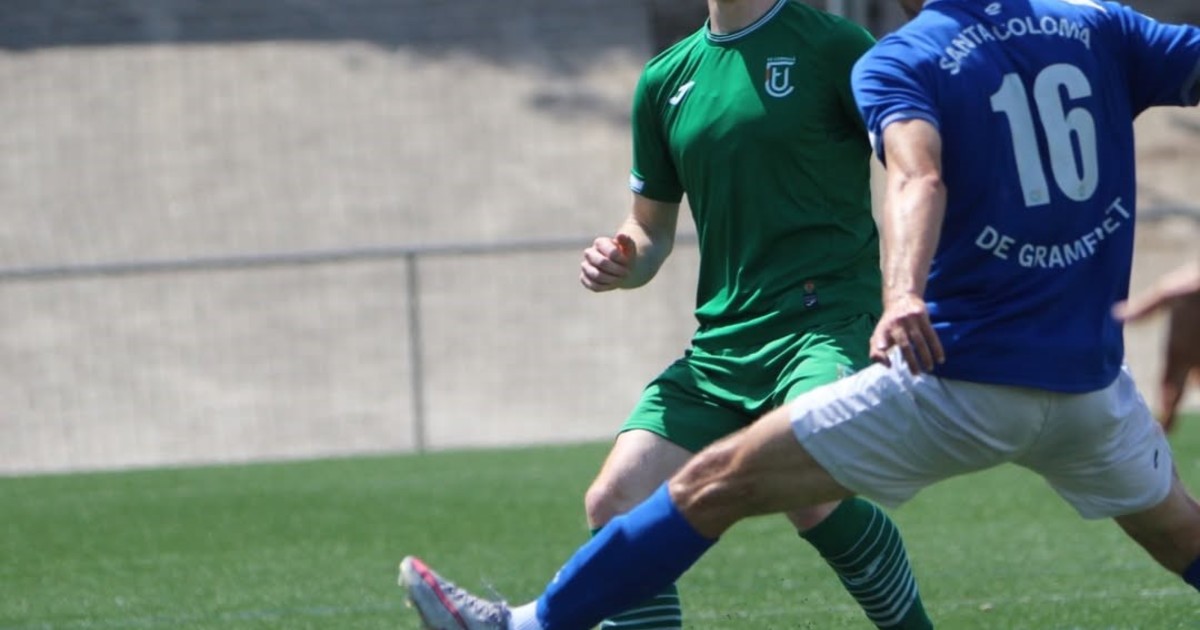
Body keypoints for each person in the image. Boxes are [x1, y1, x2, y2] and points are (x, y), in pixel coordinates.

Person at [398, 0, 1200, 628]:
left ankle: (529, 625)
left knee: (717, 483)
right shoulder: (1099, 23)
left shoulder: (894, 55)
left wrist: (902, 294)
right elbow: (652, 228)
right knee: (1181, 538)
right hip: (1090, 390)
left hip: (956, 375)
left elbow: (915, 177)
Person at [574, 0, 933, 628]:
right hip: (723, 347)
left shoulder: (835, 46)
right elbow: (649, 229)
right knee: (613, 502)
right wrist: (623, 257)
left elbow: (916, 172)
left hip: (825, 325)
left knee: (807, 485)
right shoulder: (663, 80)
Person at [1115, 260, 1200, 432]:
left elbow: (1141, 309)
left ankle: (1161, 431)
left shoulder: (1180, 286)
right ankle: (1161, 434)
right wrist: (1115, 316)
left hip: (1182, 347)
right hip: (1182, 349)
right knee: (1170, 402)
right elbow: (1140, 309)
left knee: (1170, 401)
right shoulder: (1182, 286)